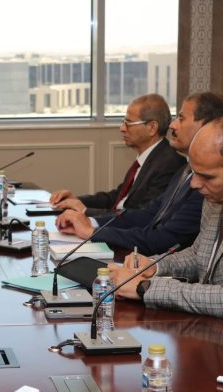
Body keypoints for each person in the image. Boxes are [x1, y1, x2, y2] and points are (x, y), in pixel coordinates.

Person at [55, 93, 223, 255]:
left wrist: (92, 229)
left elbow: (165, 239)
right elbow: (146, 214)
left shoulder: (187, 175)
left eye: (181, 118)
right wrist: (89, 221)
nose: (172, 125)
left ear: (207, 127)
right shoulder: (184, 171)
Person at [109, 118, 223, 318]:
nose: (194, 184)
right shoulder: (214, 199)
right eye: (194, 173)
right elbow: (198, 255)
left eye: (207, 176)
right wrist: (155, 266)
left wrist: (145, 287)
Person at [50, 94, 186, 215]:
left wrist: (85, 212)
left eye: (129, 123)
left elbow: (141, 216)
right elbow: (118, 197)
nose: (122, 128)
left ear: (152, 127)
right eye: (123, 122)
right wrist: (76, 201)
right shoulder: (149, 157)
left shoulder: (168, 164)